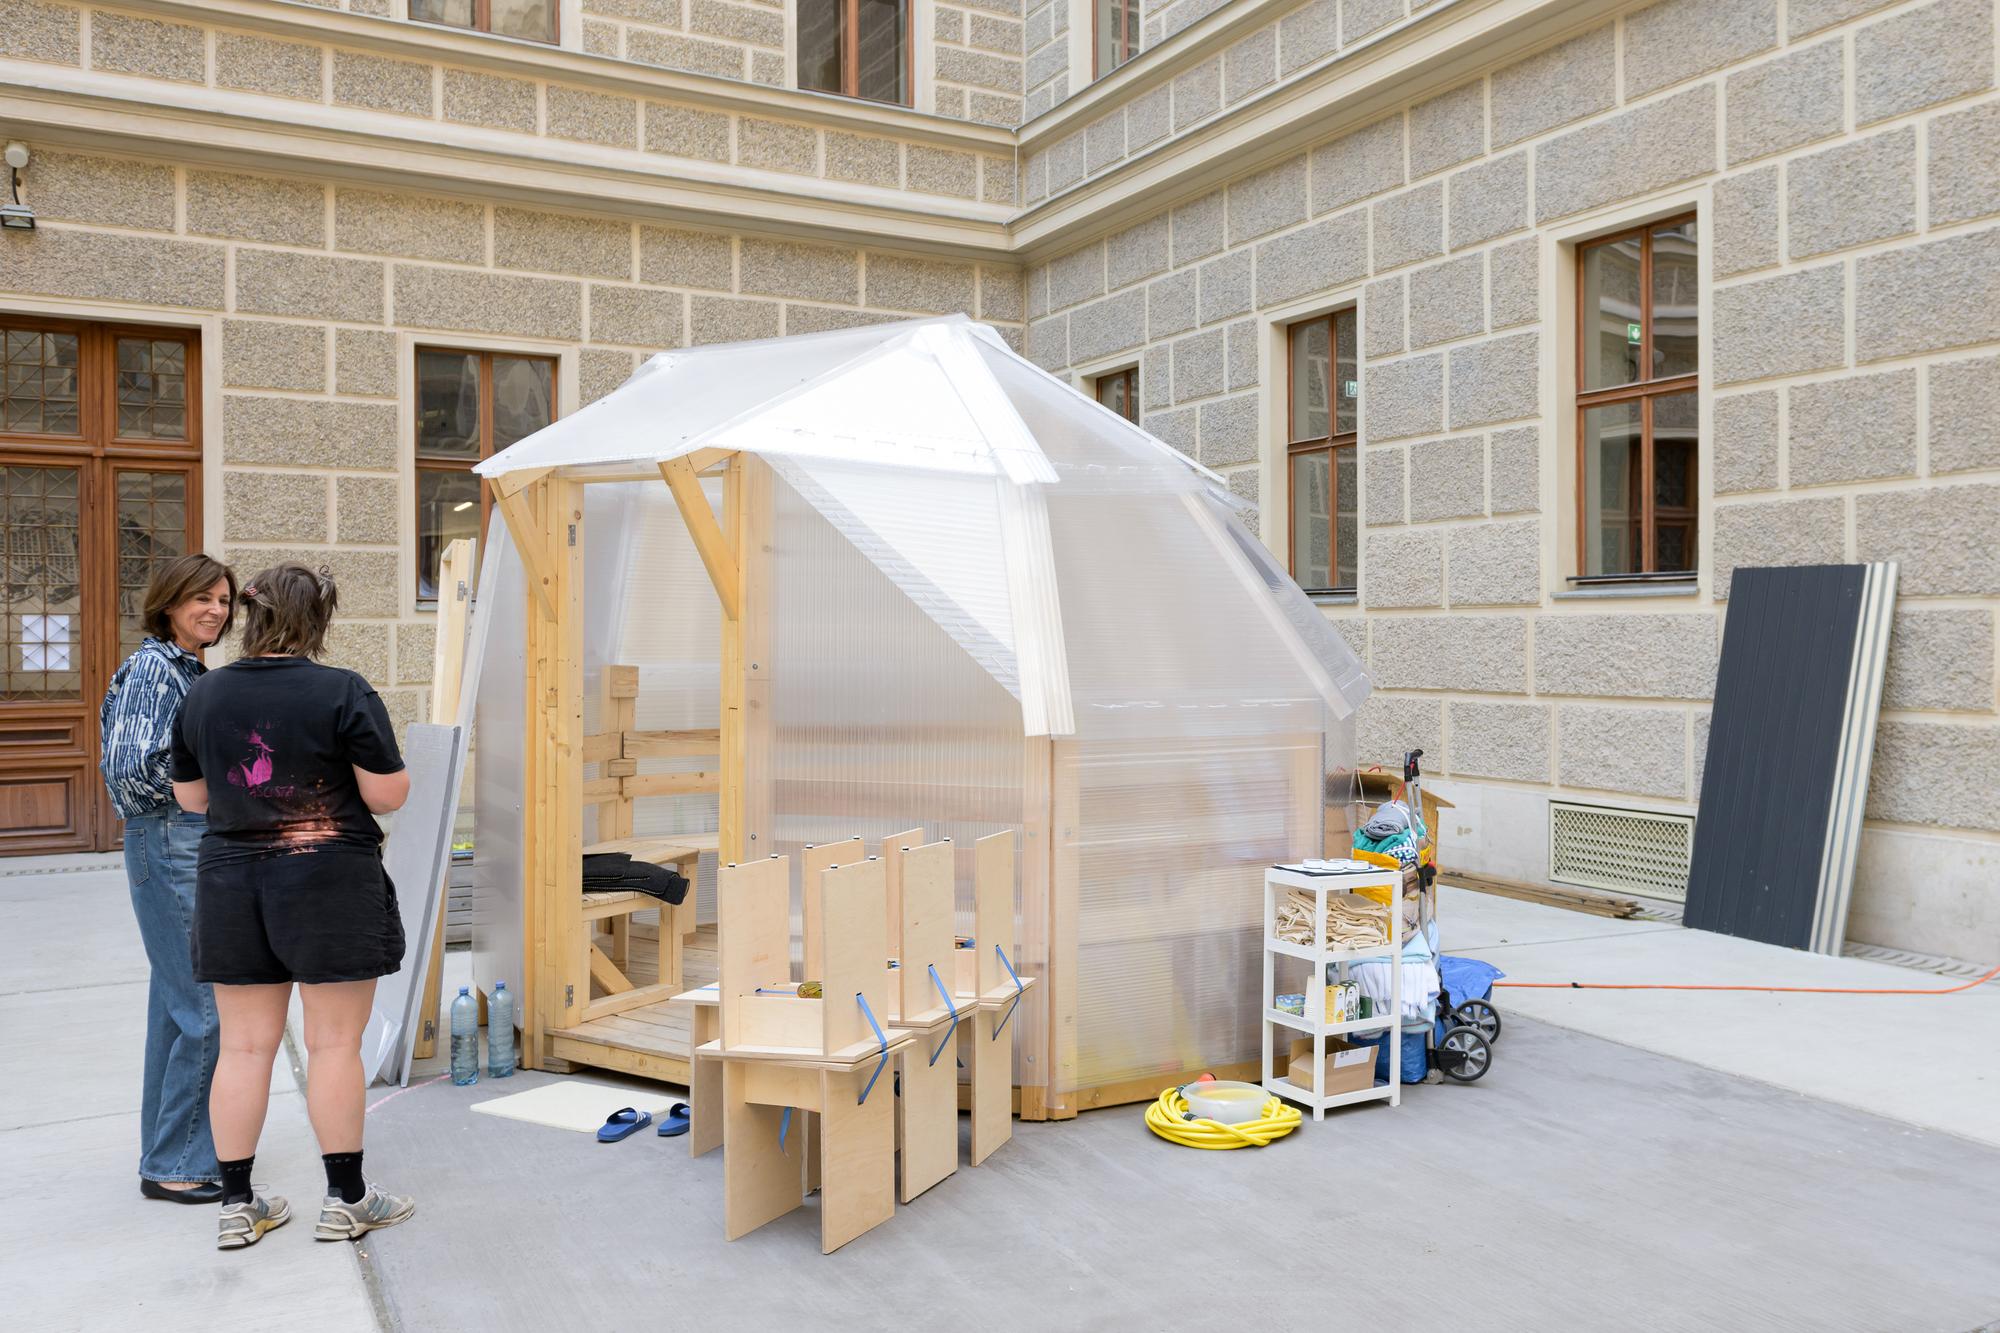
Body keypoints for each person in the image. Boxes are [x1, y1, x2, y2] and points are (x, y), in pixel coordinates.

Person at [168, 562, 415, 1251]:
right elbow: (388, 794)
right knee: (333, 1043)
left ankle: (237, 1204)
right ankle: (346, 1200)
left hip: (231, 882)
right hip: (328, 877)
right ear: (318, 620)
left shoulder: (204, 692)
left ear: (251, 616)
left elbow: (191, 798)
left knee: (243, 1047)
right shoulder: (342, 689)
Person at [100, 553, 238, 1205]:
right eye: (202, 598)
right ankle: (177, 1162)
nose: (216, 610)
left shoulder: (187, 668)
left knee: (176, 1007)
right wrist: (214, 788)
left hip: (180, 840)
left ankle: (166, 1151)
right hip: (168, 837)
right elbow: (130, 770)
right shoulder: (154, 667)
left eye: (224, 600)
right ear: (170, 602)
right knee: (205, 1008)